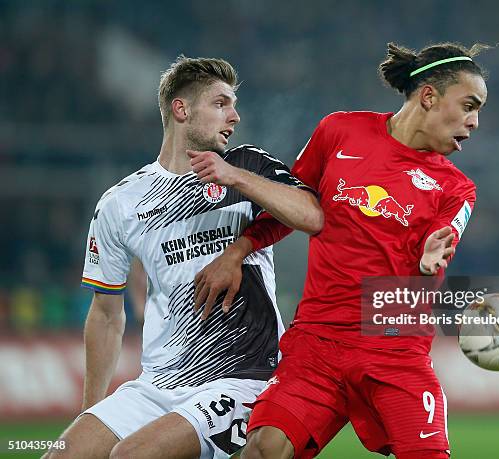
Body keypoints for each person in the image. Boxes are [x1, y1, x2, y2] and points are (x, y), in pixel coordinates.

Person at [194, 42, 489, 459]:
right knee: (262, 449)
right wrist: (237, 251)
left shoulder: (457, 188)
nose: (475, 122)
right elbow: (293, 208)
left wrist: (427, 264)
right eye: (470, 105)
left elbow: (440, 249)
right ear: (429, 96)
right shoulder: (339, 131)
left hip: (394, 347)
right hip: (319, 340)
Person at [45, 56, 323, 459]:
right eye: (221, 103)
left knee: (132, 456)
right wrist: (94, 408)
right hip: (159, 383)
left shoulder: (246, 165)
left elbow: (312, 214)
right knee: (62, 455)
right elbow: (106, 314)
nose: (235, 116)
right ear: (181, 109)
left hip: (244, 377)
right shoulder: (121, 203)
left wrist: (234, 177)